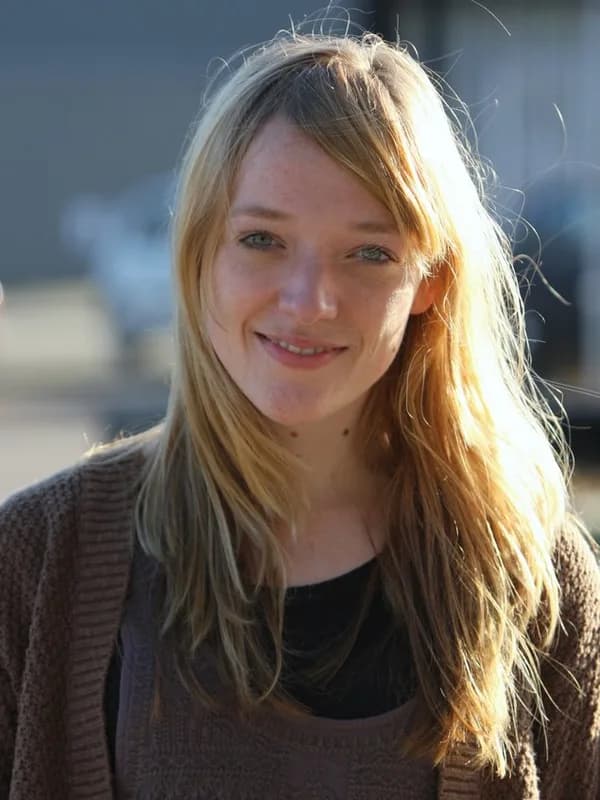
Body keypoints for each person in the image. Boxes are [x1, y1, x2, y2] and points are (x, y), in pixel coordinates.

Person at [1, 30, 599, 800]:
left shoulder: (534, 580)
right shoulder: (40, 561)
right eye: (263, 239)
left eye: (369, 252)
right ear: (199, 255)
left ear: (432, 281)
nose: (309, 300)